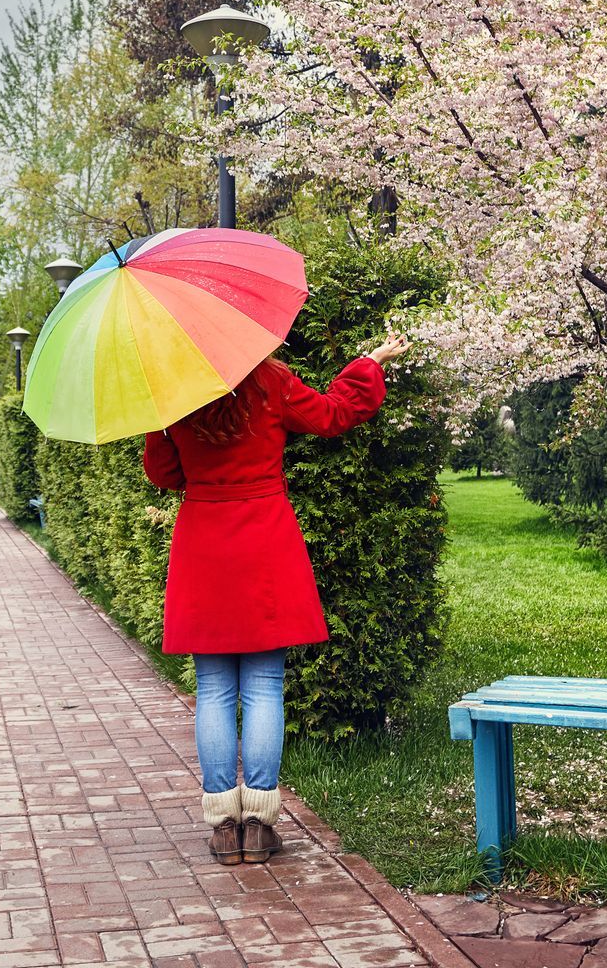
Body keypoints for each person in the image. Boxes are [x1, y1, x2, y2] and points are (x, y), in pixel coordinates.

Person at [142, 334, 411, 865]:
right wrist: (369, 363)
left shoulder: (175, 394)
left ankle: (223, 827)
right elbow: (335, 414)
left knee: (215, 688)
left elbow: (163, 475)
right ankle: (261, 828)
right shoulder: (271, 382)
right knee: (264, 686)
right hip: (266, 539)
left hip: (204, 545)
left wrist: (168, 427)